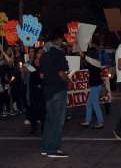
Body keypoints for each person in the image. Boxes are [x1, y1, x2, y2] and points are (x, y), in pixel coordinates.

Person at [40, 29, 70, 158]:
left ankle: (46, 147)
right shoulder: (58, 53)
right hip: (58, 90)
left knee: (49, 120)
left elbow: (41, 74)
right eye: (62, 38)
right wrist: (69, 81)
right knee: (58, 121)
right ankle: (53, 149)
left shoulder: (44, 54)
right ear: (58, 40)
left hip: (47, 90)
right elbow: (61, 73)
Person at [79, 37, 105, 129]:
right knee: (89, 104)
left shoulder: (94, 61)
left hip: (95, 86)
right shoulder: (96, 62)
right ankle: (87, 120)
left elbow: (83, 56)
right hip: (97, 85)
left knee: (95, 104)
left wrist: (78, 46)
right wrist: (89, 42)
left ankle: (100, 122)